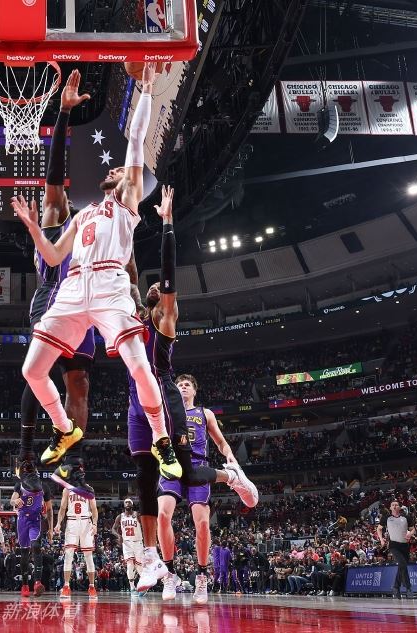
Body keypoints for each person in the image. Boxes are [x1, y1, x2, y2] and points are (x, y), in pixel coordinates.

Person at [12, 62, 181, 495]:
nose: (116, 171)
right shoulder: (80, 213)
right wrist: (32, 227)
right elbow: (52, 254)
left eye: (122, 171)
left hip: (106, 288)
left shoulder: (126, 203)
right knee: (32, 369)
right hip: (67, 290)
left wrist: (146, 90)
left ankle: (160, 440)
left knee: (130, 369)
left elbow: (137, 140)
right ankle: (56, 436)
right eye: (117, 171)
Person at [122, 186, 257, 597]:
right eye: (150, 291)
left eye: (158, 291)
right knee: (145, 479)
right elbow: (128, 273)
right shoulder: (134, 315)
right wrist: (125, 221)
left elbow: (167, 275)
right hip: (135, 403)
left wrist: (166, 223)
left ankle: (229, 475)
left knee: (187, 472)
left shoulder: (165, 320)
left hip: (163, 401)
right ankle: (156, 563)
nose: (153, 289)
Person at [17, 69, 112, 500]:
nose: (52, 198)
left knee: (80, 385)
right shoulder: (55, 218)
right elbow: (55, 175)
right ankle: (24, 457)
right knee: (37, 372)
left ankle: (72, 462)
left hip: (84, 307)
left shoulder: (93, 231)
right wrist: (64, 114)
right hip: (52, 301)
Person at [155, 373, 258, 604]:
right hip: (172, 464)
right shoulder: (167, 412)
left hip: (198, 465)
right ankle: (170, 573)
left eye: (187, 385)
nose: (183, 387)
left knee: (202, 523)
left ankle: (202, 575)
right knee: (162, 515)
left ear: (194, 390)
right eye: (179, 385)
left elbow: (220, 441)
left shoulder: (205, 413)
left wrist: (229, 455)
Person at [10, 476, 53, 596]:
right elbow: (12, 500)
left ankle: (37, 582)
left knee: (36, 546)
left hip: (36, 520)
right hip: (22, 520)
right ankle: (25, 585)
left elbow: (49, 509)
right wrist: (15, 502)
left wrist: (50, 529)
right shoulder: (20, 485)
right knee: (24, 552)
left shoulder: (44, 486)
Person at [55, 486, 98, 598]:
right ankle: (66, 586)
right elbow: (62, 508)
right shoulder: (67, 489)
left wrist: (95, 524)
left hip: (86, 522)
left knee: (88, 555)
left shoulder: (89, 489)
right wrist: (58, 523)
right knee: (68, 554)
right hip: (72, 521)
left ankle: (92, 586)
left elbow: (94, 509)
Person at [376, 499, 414, 598]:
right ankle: (408, 587)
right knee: (402, 564)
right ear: (390, 507)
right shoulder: (386, 518)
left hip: (405, 545)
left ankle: (396, 587)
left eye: (396, 505)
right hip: (394, 545)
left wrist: (410, 534)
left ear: (400, 507)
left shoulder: (406, 517)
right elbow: (379, 529)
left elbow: (413, 529)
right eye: (392, 505)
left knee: (402, 566)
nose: (394, 506)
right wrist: (381, 540)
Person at [111, 498, 143, 590]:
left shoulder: (137, 515)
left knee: (139, 566)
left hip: (138, 542)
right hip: (126, 543)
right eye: (126, 502)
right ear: (124, 505)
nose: (127, 503)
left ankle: (144, 584)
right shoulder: (120, 517)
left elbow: (144, 526)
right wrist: (118, 536)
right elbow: (113, 529)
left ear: (132, 505)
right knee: (130, 564)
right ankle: (132, 587)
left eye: (129, 502)